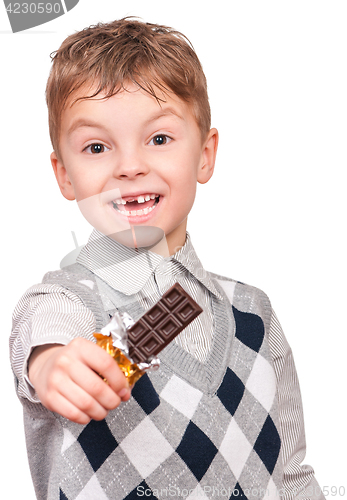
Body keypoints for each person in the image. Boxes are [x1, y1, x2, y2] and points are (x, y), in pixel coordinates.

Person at [10, 18, 325, 500]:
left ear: (205, 154)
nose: (130, 166)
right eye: (96, 147)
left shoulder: (254, 314)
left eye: (159, 139)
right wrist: (56, 367)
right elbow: (45, 345)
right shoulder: (63, 301)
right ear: (64, 174)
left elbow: (293, 473)